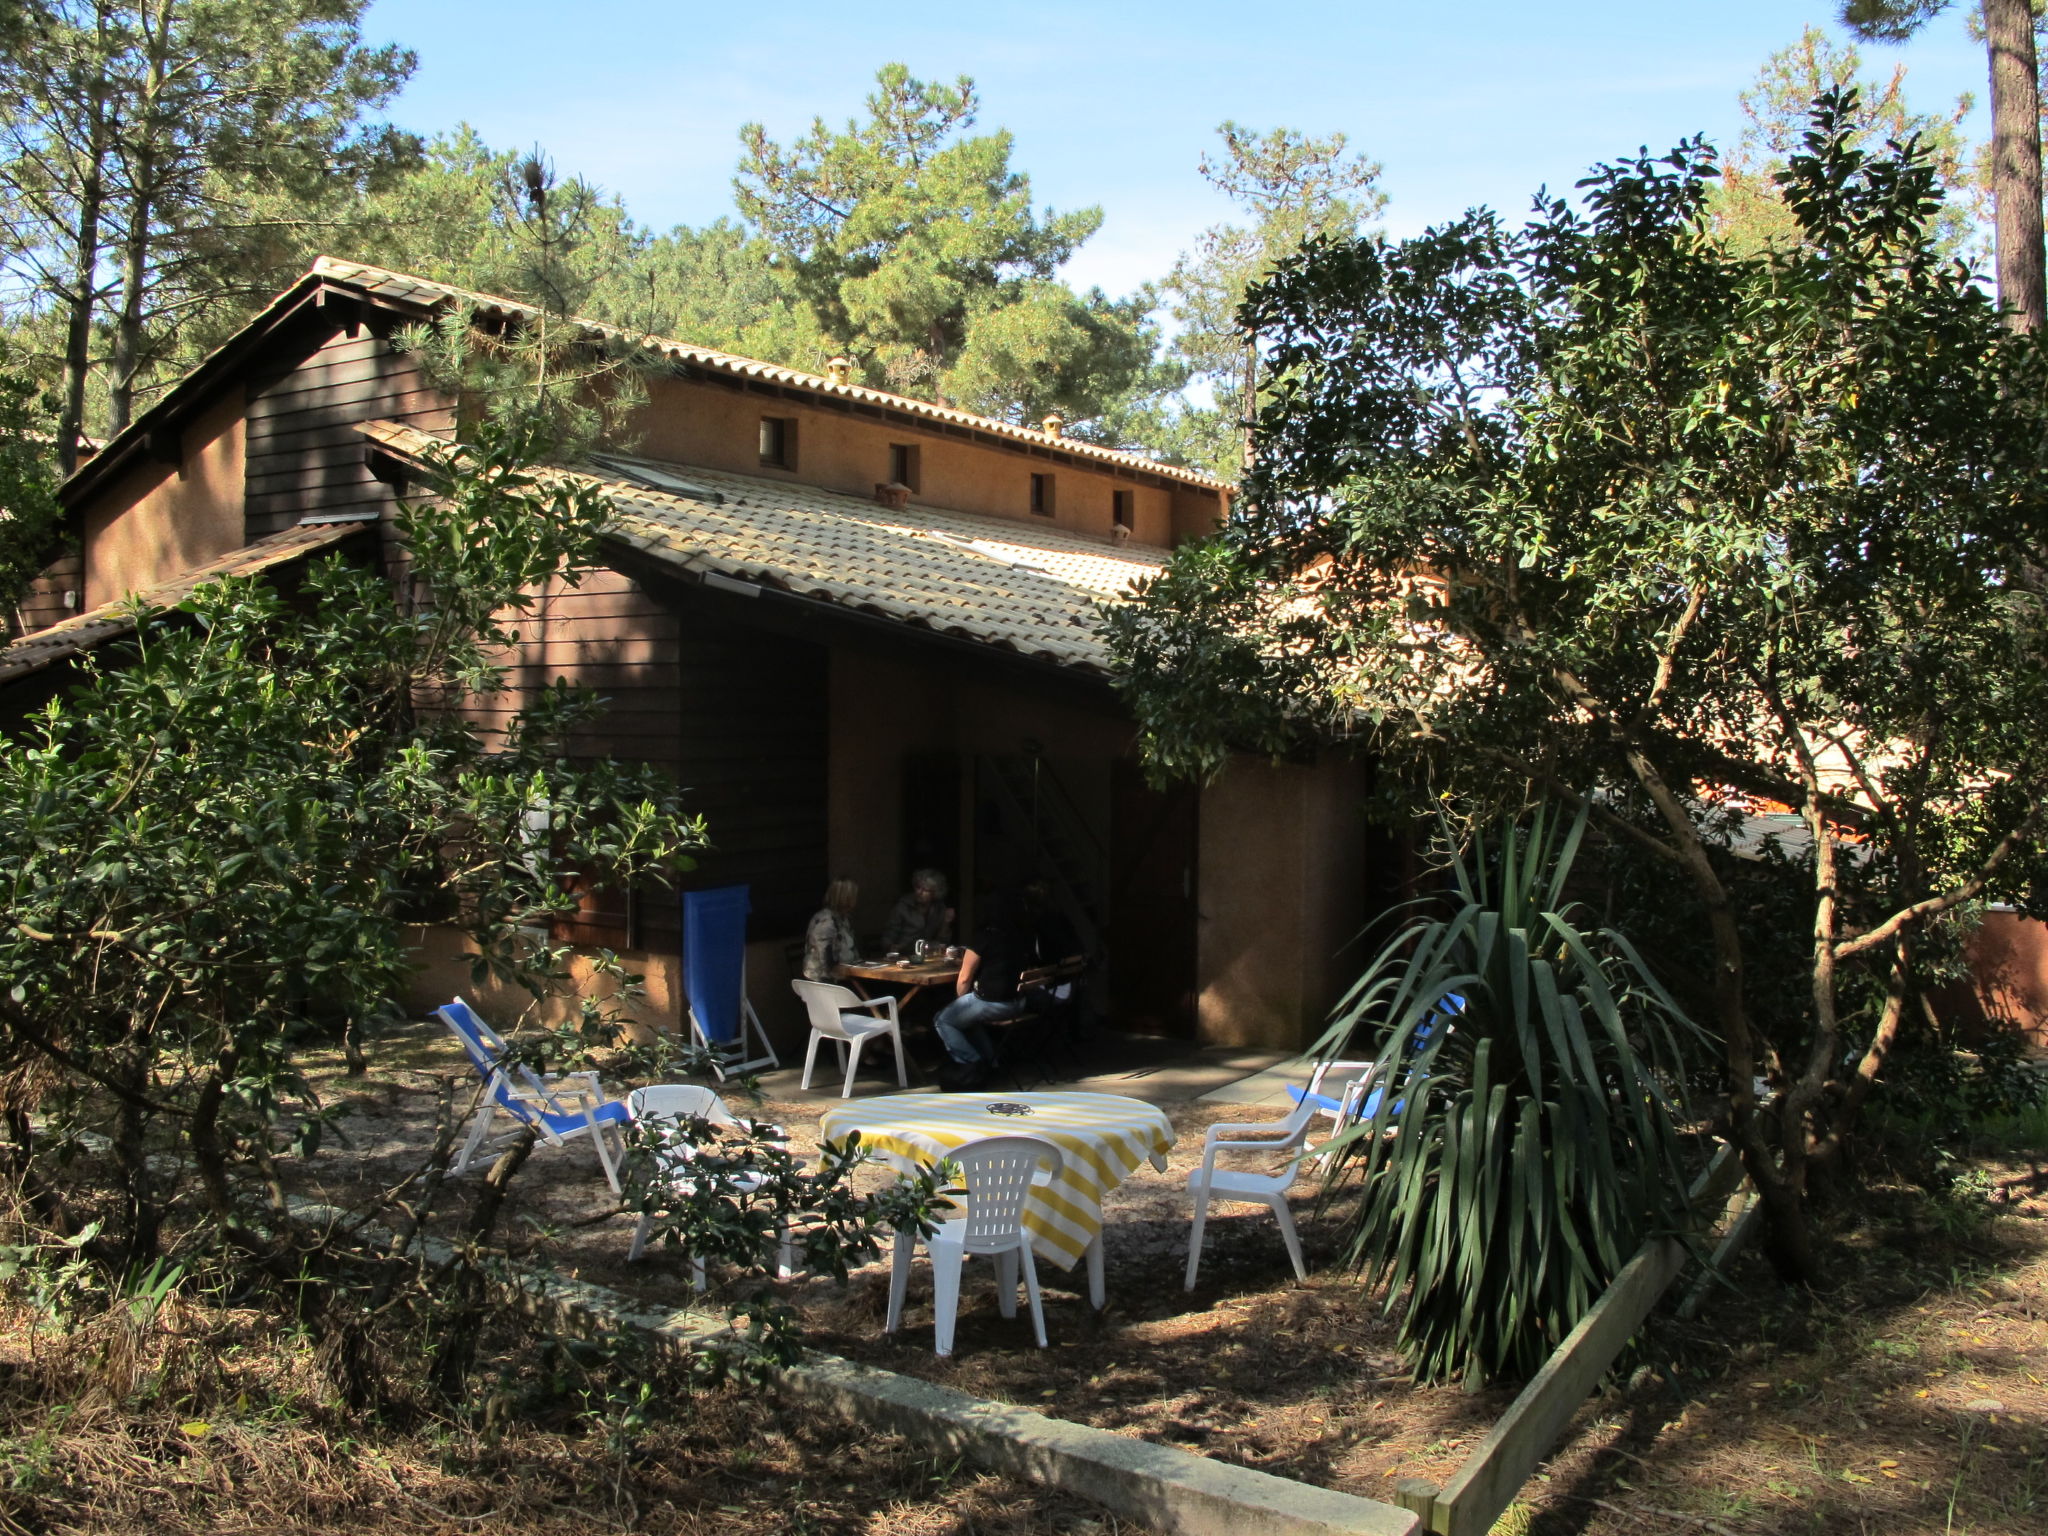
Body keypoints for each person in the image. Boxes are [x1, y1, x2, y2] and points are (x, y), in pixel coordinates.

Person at [931, 892, 1031, 1086]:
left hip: (993, 1003)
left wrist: (959, 1000)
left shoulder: (984, 938)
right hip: (1018, 1002)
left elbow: (964, 978)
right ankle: (992, 1062)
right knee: (967, 1020)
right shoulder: (1020, 936)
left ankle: (971, 1063)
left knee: (942, 1020)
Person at [881, 868, 954, 955]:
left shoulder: (939, 908)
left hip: (927, 955)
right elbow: (888, 937)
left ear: (935, 893)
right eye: (918, 887)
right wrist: (891, 947)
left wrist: (946, 922)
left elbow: (943, 942)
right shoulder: (903, 906)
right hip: (903, 955)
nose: (919, 892)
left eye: (925, 890)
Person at [802, 877, 860, 982]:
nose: (855, 900)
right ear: (845, 898)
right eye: (853, 896)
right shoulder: (826, 921)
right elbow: (826, 961)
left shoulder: (843, 918)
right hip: (826, 981)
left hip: (846, 975)